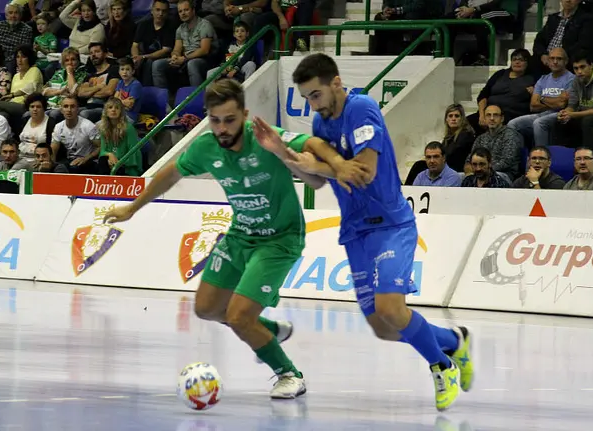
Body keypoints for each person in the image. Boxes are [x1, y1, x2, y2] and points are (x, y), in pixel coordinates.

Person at [103, 79, 336, 399]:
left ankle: (289, 374)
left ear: (245, 114)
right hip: (240, 234)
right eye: (215, 120)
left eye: (230, 120)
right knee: (207, 308)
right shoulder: (205, 146)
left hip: (279, 239)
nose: (222, 128)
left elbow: (314, 162)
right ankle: (269, 331)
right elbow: (170, 174)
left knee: (240, 316)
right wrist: (134, 207)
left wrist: (301, 156)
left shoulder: (267, 138)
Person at [284, 53, 473, 411]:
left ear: (335, 83)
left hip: (389, 224)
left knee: (391, 307)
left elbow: (364, 172)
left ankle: (442, 365)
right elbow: (318, 180)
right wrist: (296, 164)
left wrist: (320, 165)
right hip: (354, 231)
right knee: (384, 327)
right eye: (307, 97)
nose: (312, 104)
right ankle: (453, 340)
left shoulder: (362, 109)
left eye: (316, 95)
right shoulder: (322, 124)